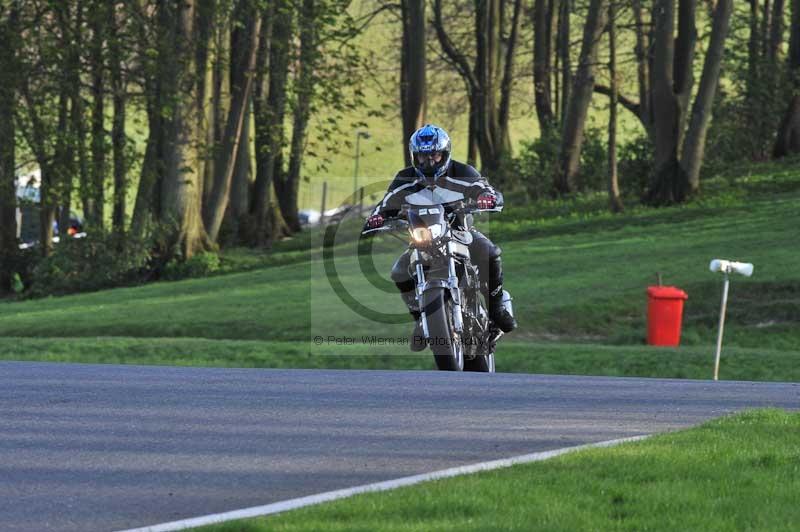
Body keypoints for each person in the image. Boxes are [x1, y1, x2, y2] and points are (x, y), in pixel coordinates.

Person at [364, 124, 517, 350]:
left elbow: (485, 189)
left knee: (490, 253)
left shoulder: (462, 172)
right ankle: (422, 320)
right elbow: (385, 204)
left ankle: (497, 310)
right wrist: (376, 218)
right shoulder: (405, 178)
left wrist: (487, 198)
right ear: (414, 156)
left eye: (435, 155)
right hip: (422, 240)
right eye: (423, 157)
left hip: (461, 233)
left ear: (445, 153)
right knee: (399, 272)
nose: (430, 162)